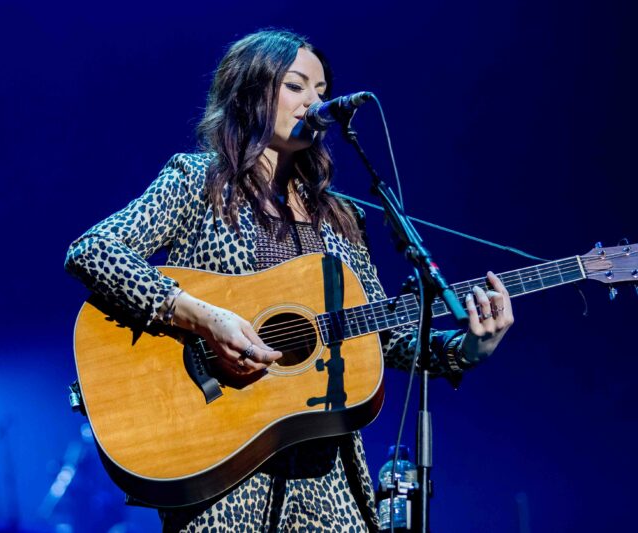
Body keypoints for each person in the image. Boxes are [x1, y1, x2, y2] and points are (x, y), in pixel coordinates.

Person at [65, 29, 514, 533]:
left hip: (328, 475)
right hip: (222, 464)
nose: (315, 103)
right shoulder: (198, 182)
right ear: (250, 92)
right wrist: (206, 318)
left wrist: (468, 348)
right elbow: (93, 250)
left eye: (322, 91)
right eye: (297, 86)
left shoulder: (340, 218)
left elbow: (386, 338)